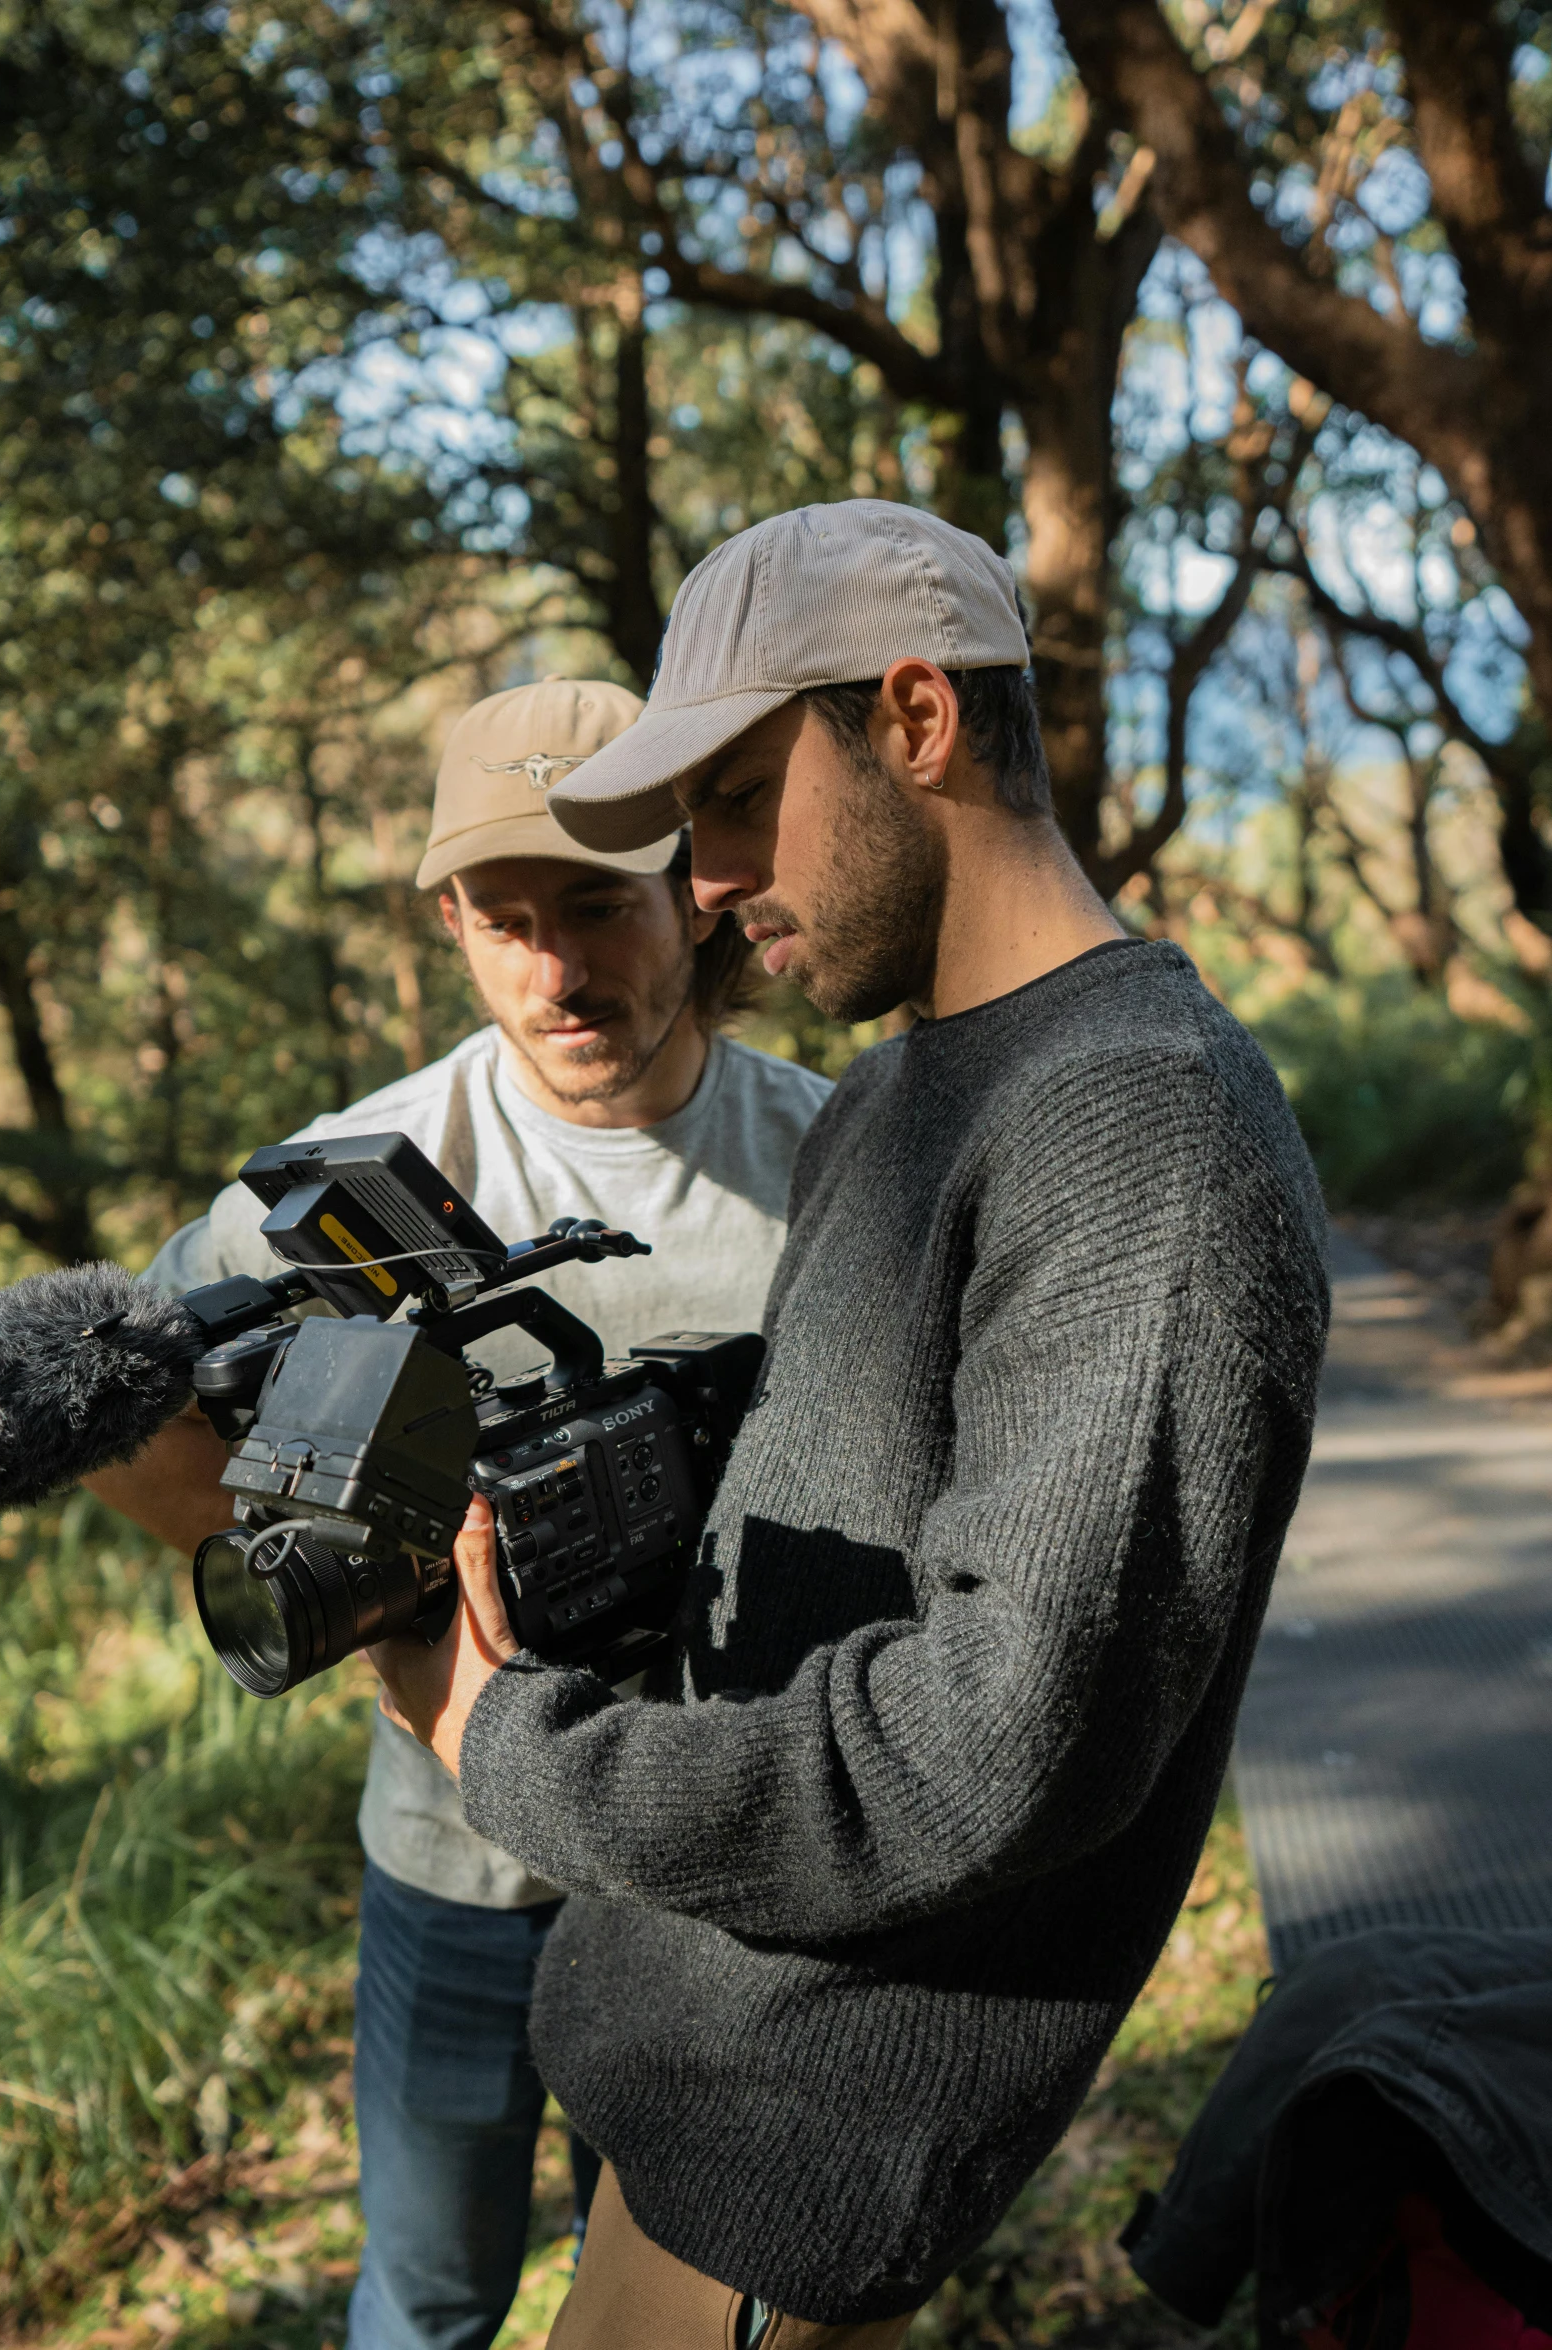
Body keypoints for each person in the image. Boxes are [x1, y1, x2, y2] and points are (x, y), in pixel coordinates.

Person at [368, 503, 1330, 2350]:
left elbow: (989, 1750)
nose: (704, 875)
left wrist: (512, 1743)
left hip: (789, 2140)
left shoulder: (1141, 1127)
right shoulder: (896, 1094)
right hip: (672, 2042)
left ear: (913, 720)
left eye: (734, 796)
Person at [85, 674, 833, 2350]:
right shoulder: (351, 1178)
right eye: (506, 918)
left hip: (711, 1868)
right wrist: (390, 1618)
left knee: (666, 2293)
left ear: (687, 889)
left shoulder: (836, 1160)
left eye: (597, 903)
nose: (557, 968)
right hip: (456, 1865)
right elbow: (128, 1417)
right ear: (447, 920)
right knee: (426, 2296)